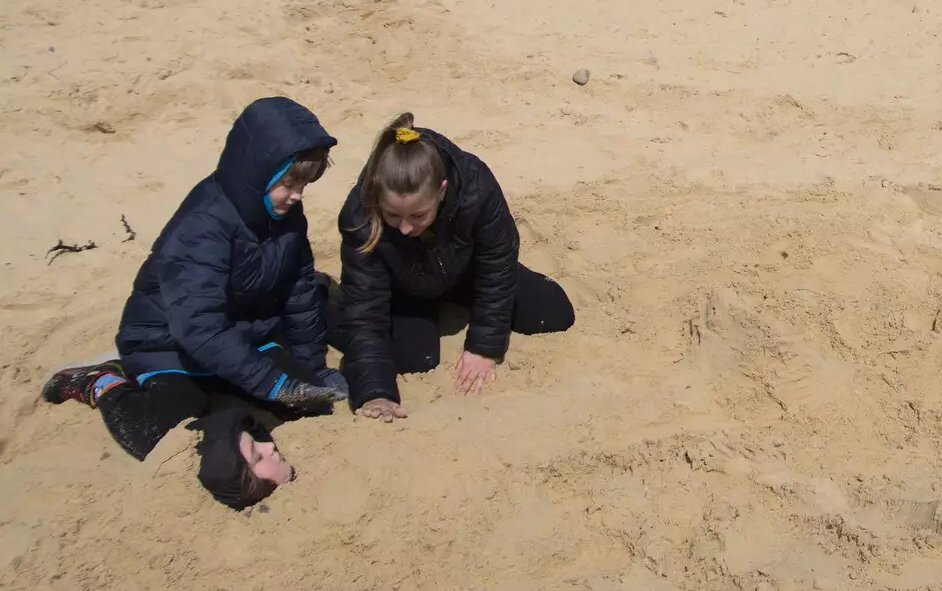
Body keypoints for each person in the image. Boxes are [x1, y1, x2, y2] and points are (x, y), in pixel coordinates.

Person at [40, 97, 346, 482]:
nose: (298, 194)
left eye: (304, 183)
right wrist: (275, 384)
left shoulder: (287, 217)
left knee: (311, 402)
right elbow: (197, 326)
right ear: (257, 170)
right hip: (168, 342)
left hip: (247, 333)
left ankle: (233, 387)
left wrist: (310, 368)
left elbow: (299, 294)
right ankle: (103, 381)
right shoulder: (204, 225)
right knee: (165, 440)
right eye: (289, 182)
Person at [333, 115, 576, 421]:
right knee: (415, 360)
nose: (406, 228)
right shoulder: (360, 214)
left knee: (553, 313)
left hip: (465, 271)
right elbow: (365, 310)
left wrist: (484, 348)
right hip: (405, 290)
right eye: (393, 216)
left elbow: (497, 262)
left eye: (418, 215)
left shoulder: (475, 184)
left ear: (442, 190)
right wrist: (375, 393)